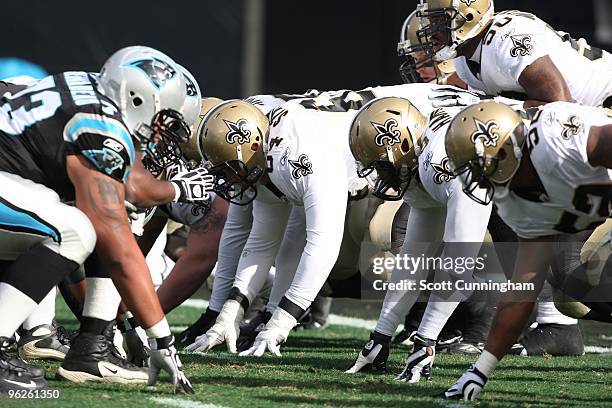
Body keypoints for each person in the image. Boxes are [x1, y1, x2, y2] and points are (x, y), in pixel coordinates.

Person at [0, 45, 206, 393]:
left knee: (95, 217)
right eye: (163, 121)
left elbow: (128, 192)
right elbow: (120, 250)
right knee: (76, 229)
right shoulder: (98, 126)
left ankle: (90, 350)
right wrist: (161, 338)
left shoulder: (93, 92)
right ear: (137, 99)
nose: (161, 135)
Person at [443, 100, 612, 400]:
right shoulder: (514, 202)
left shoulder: (555, 137)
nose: (478, 180)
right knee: (574, 290)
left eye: (480, 166)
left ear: (507, 149)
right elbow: (523, 290)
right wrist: (480, 371)